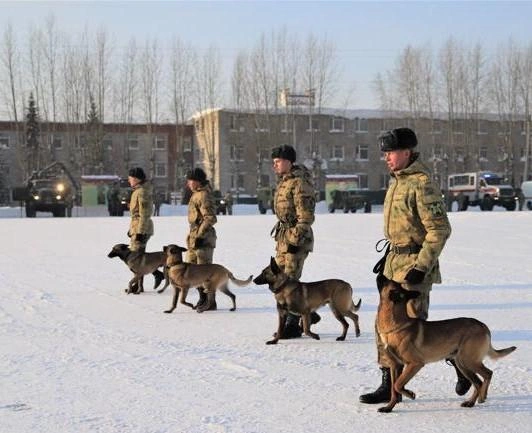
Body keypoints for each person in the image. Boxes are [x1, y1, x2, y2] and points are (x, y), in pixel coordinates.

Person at [359, 128, 463, 404]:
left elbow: (439, 229)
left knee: (413, 332)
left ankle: (460, 360)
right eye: (385, 154)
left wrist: (422, 265)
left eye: (391, 153)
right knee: (384, 327)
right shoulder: (397, 182)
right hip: (394, 265)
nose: (387, 158)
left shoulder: (421, 182)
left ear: (407, 152)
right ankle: (388, 382)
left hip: (415, 267)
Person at [270, 144, 319, 338]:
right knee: (279, 280)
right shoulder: (284, 181)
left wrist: (295, 240)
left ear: (289, 162)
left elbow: (306, 216)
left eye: (278, 161)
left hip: (296, 239)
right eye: (273, 162)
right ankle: (309, 313)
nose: (275, 165)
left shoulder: (300, 183)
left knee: (290, 281)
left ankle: (292, 325)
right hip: (284, 237)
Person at [185, 167, 218, 311]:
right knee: (192, 270)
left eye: (191, 180)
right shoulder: (196, 195)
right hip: (194, 238)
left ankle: (210, 301)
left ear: (198, 181)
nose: (189, 183)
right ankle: (202, 298)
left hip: (203, 239)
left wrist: (200, 236)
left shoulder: (203, 195)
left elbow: (210, 218)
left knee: (204, 271)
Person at [127, 167, 162, 289]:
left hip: (142, 229)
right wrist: (132, 230)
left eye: (130, 178)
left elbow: (145, 214)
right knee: (138, 258)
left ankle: (137, 284)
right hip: (137, 228)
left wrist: (140, 232)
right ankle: (146, 280)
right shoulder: (137, 191)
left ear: (136, 179)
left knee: (135, 258)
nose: (129, 180)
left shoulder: (142, 192)